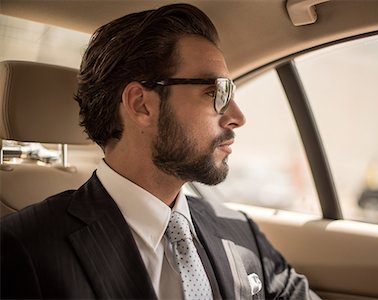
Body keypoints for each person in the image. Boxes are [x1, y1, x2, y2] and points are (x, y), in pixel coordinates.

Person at [1, 3, 321, 300]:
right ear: (142, 104)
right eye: (215, 92)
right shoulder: (23, 250)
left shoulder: (240, 233)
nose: (238, 116)